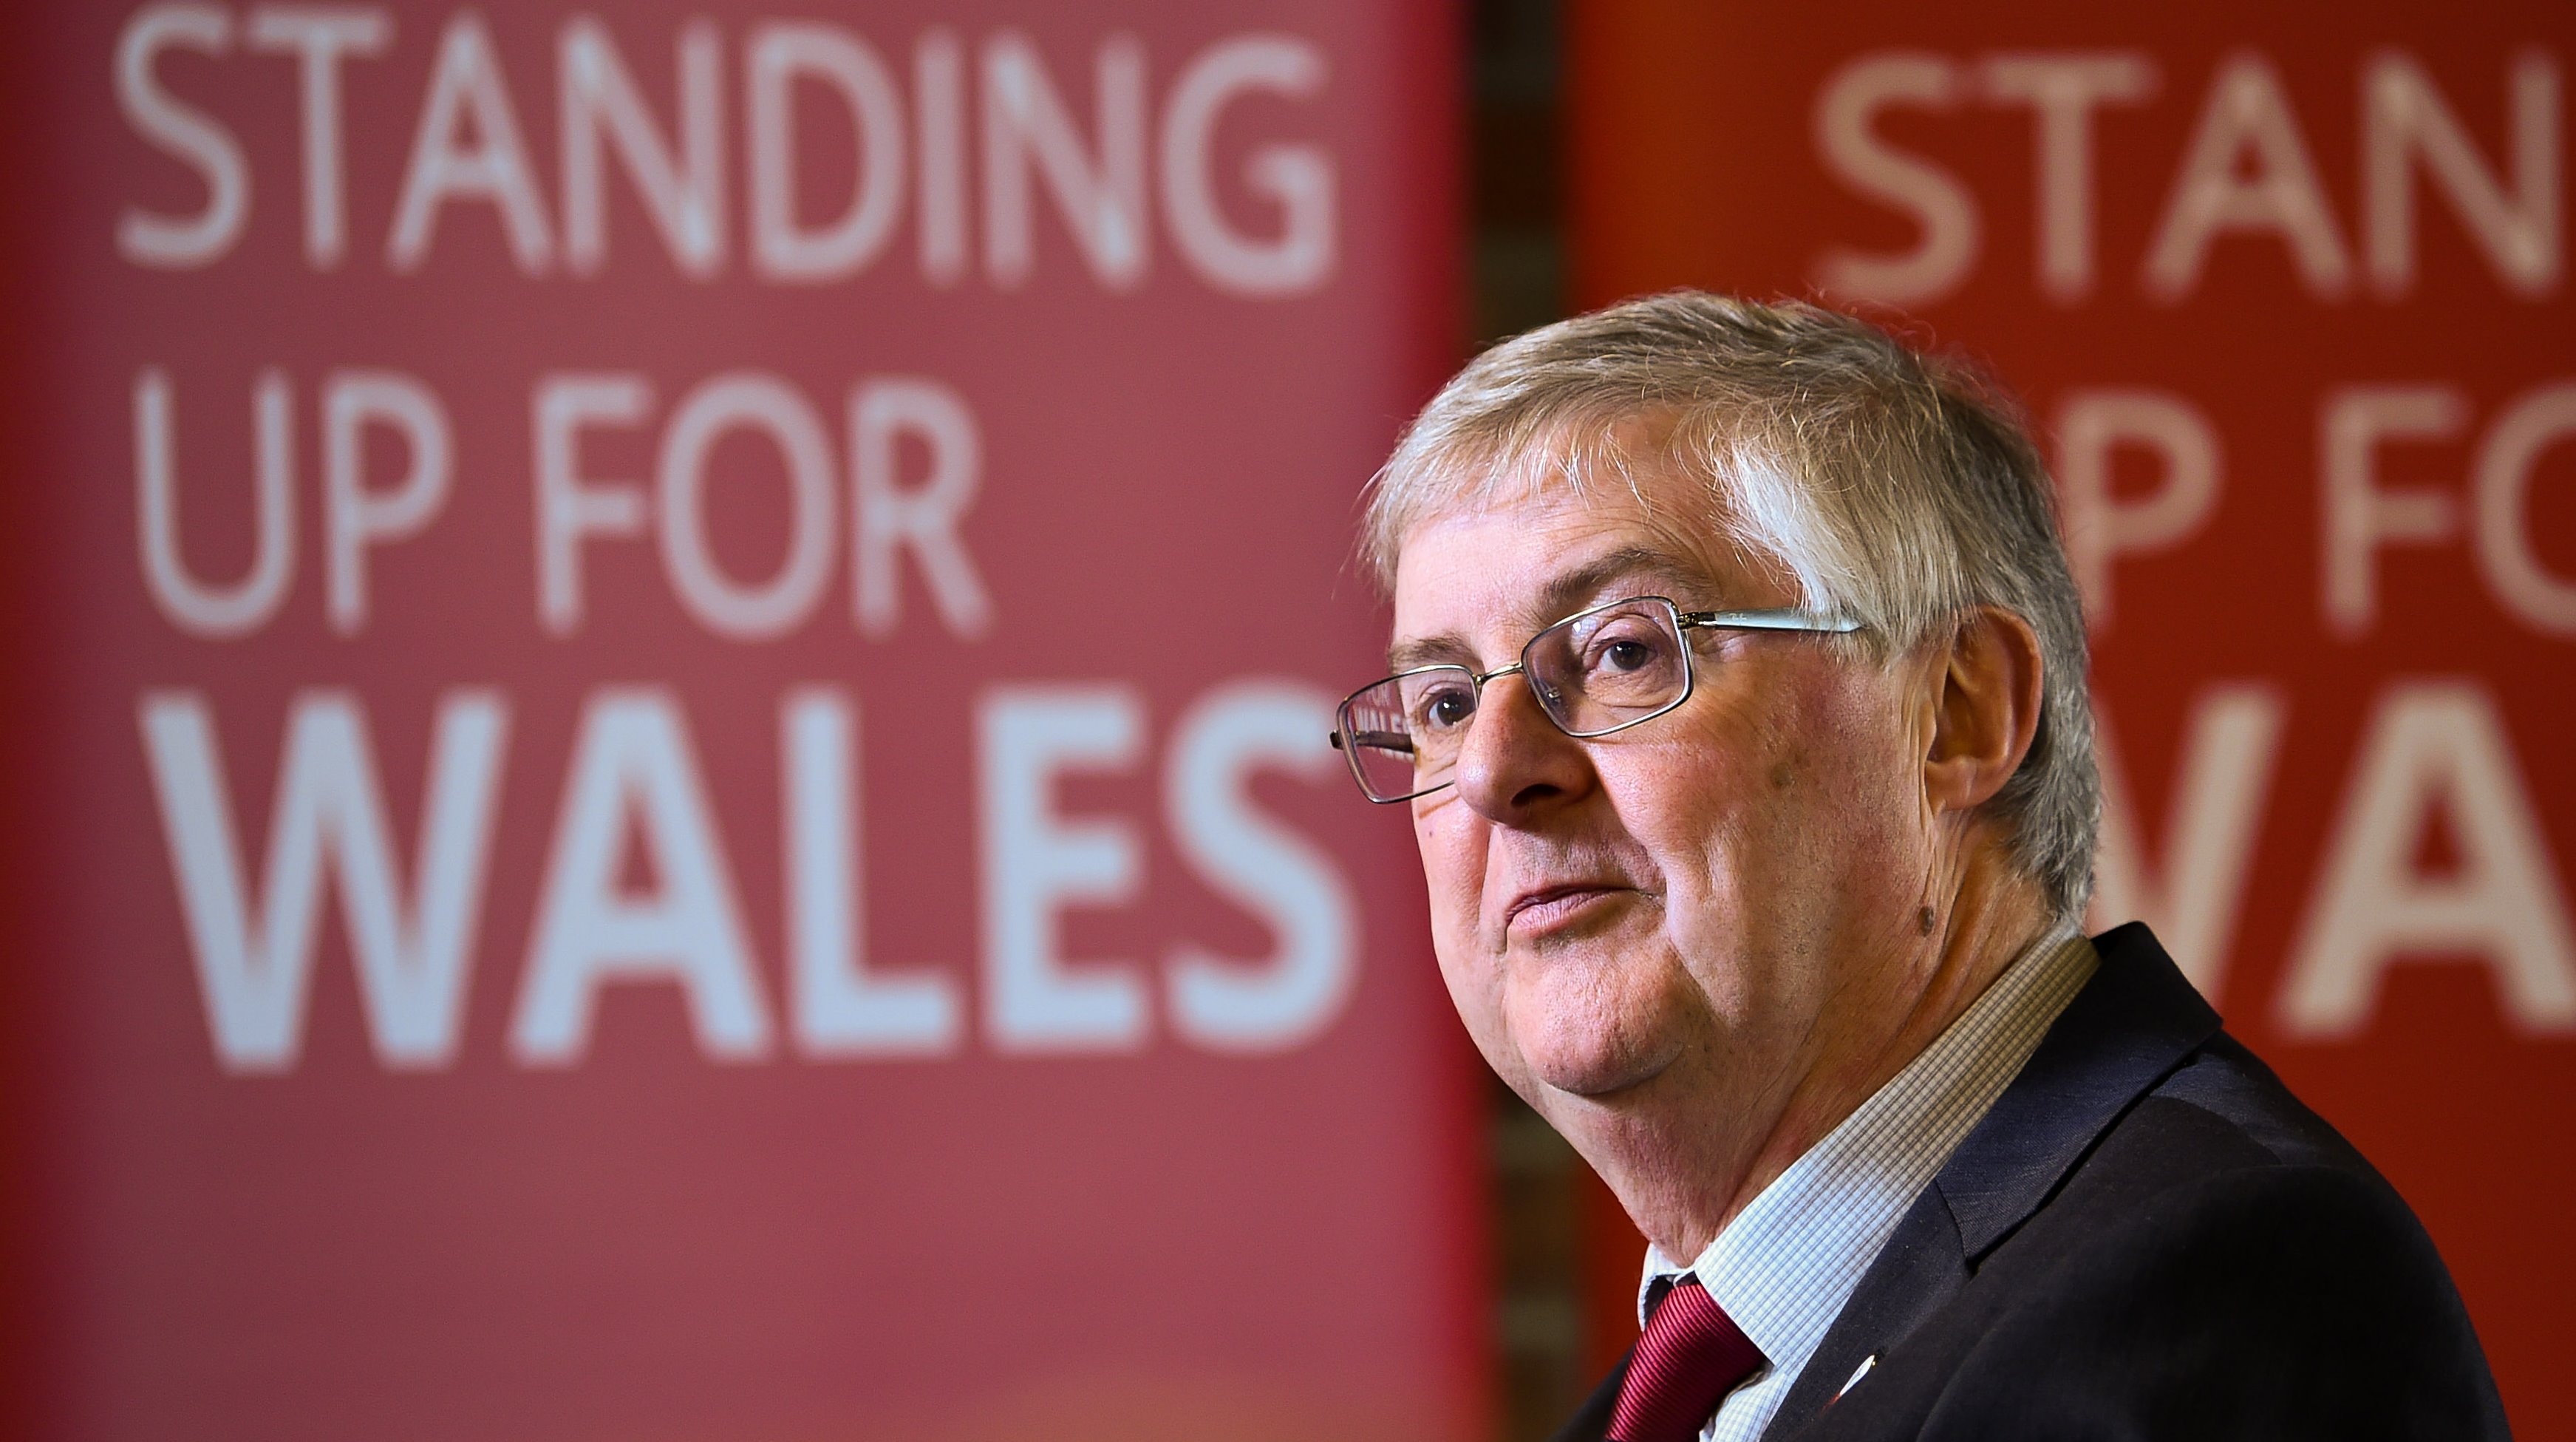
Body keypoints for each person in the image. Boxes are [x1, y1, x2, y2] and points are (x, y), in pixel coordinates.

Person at [1332, 293, 2508, 1442]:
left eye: (1623, 652)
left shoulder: (2215, 1284)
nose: (1490, 773)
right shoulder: (1686, 1392)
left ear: (1955, 711)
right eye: (1443, 704)